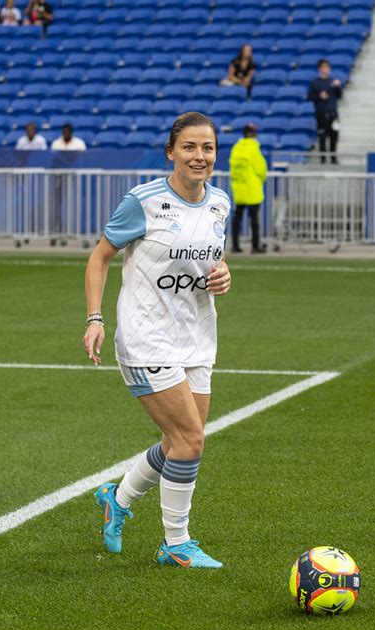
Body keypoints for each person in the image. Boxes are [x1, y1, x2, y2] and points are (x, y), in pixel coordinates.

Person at [83, 112, 232, 569]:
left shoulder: (220, 203)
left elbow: (209, 262)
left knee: (179, 440)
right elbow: (100, 257)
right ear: (171, 152)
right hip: (147, 337)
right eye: (189, 147)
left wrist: (223, 276)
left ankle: (117, 499)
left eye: (207, 148)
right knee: (189, 440)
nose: (199, 156)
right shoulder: (142, 201)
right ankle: (175, 543)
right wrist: (95, 317)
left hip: (197, 335)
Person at [229, 123, 267, 254]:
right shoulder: (253, 148)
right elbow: (261, 169)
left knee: (237, 218)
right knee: (254, 219)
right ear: (252, 134)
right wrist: (260, 180)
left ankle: (235, 245)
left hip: (239, 189)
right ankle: (255, 246)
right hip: (252, 189)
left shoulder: (236, 148)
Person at [307, 59, 342, 164]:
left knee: (334, 136)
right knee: (322, 136)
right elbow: (309, 97)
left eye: (327, 67)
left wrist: (338, 87)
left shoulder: (333, 82)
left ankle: (333, 158)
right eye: (323, 67)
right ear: (319, 69)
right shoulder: (315, 83)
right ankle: (322, 159)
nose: (325, 69)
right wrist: (319, 96)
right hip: (321, 113)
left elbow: (339, 96)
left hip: (333, 113)